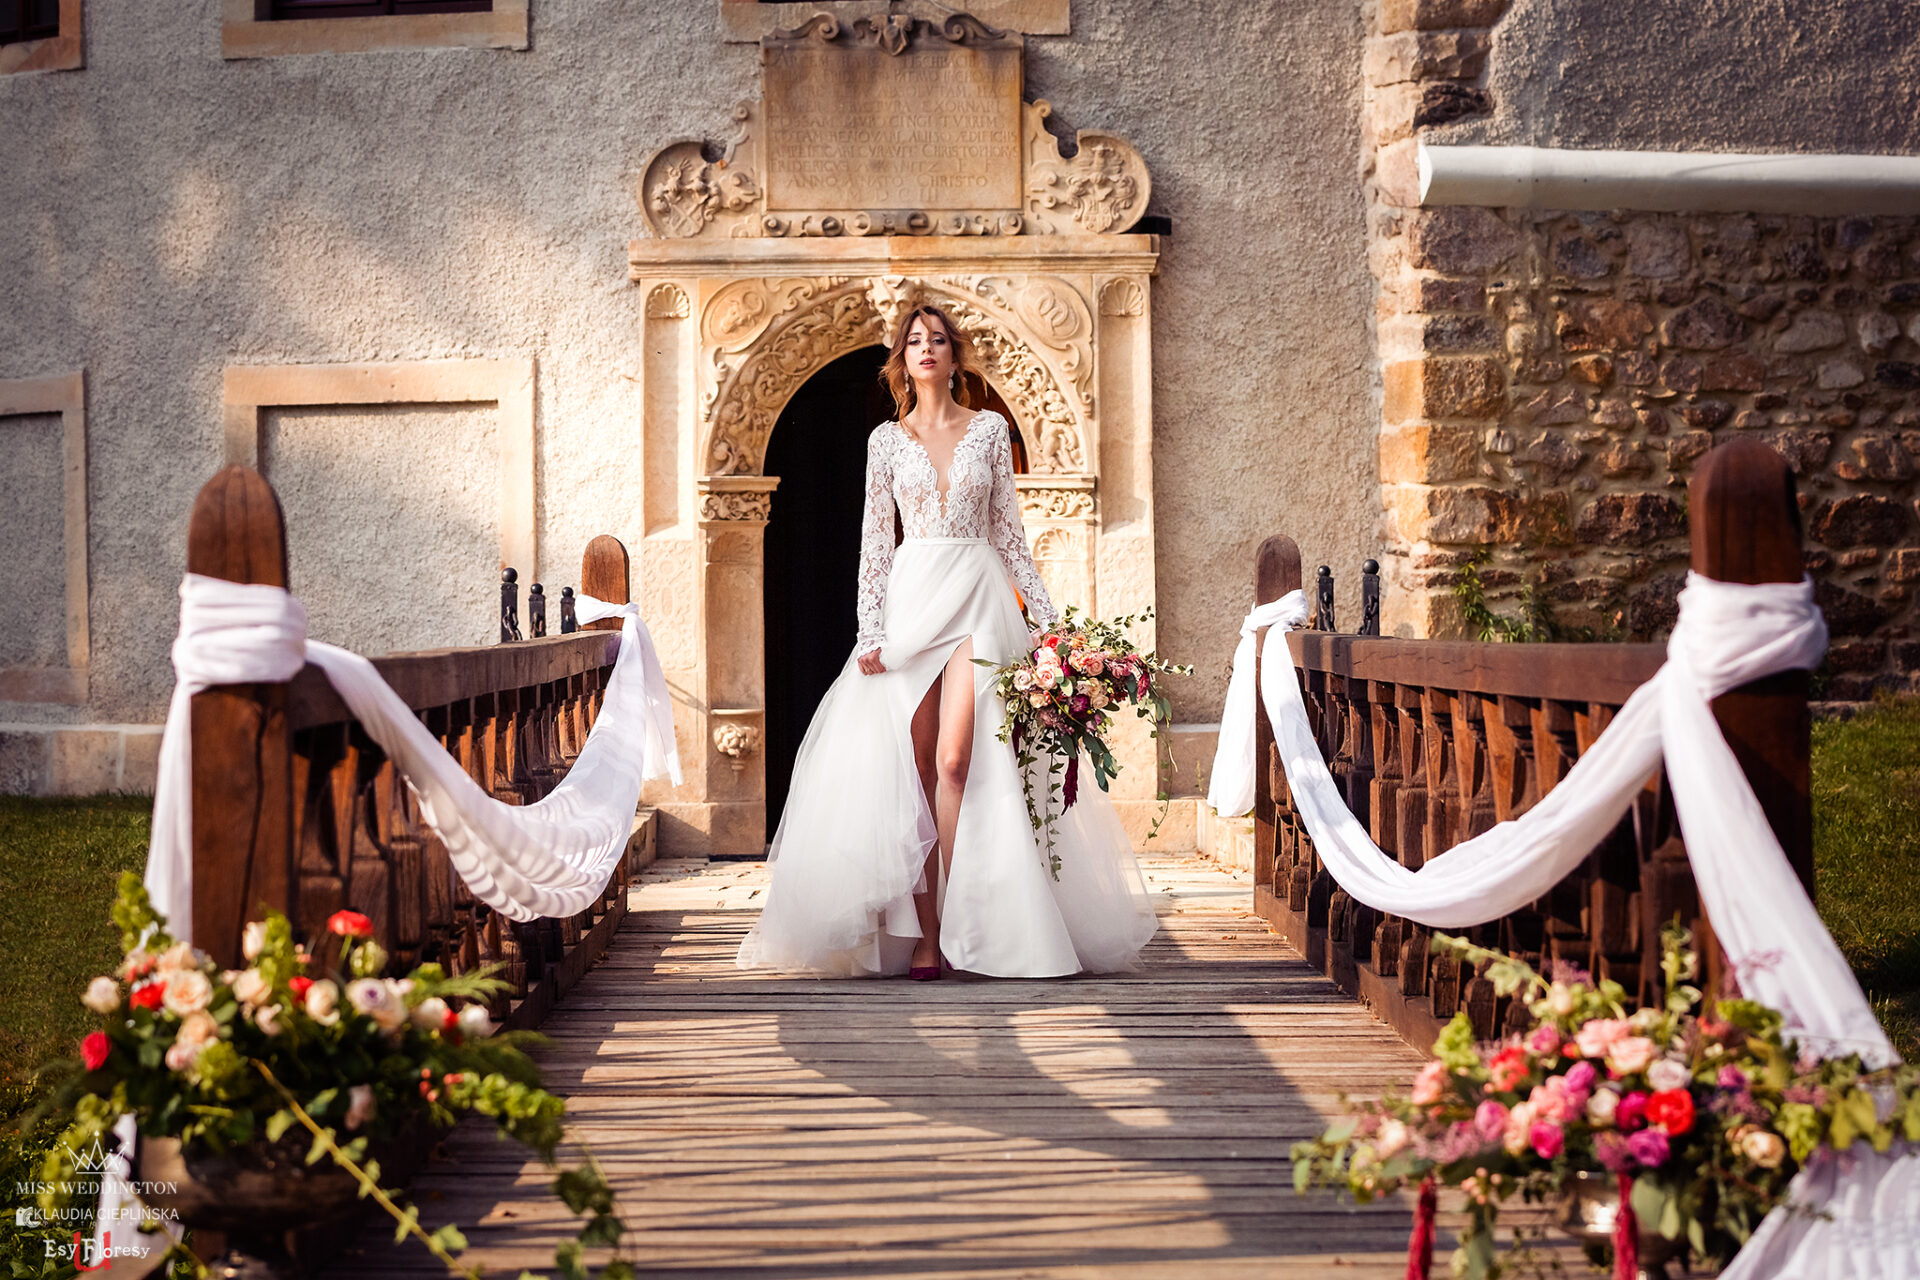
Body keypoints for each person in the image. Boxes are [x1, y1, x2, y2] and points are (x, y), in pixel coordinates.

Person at [736, 302, 1159, 980]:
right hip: (909, 603)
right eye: (913, 341)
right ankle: (927, 934)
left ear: (955, 357)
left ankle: (963, 927)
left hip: (977, 599)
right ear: (900, 360)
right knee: (913, 769)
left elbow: (1011, 538)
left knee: (958, 761)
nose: (926, 349)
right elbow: (877, 541)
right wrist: (869, 628)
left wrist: (1052, 631)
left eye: (937, 340)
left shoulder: (990, 429)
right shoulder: (885, 442)